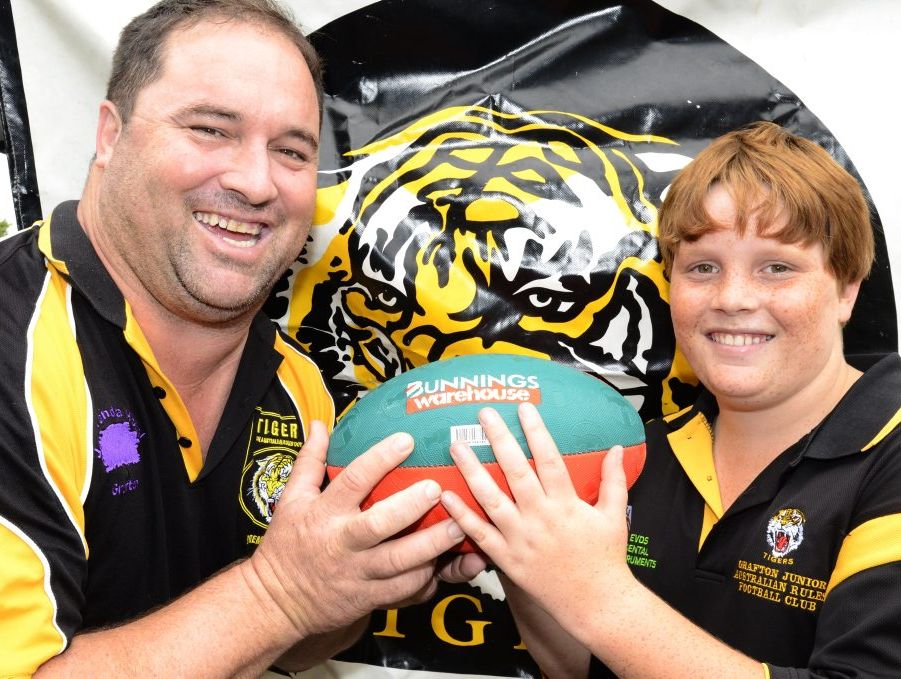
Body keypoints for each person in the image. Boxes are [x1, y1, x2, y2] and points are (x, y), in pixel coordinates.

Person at [0, 1, 482, 676]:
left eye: (290, 150)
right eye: (210, 129)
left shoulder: (296, 384)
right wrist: (279, 592)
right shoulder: (15, 342)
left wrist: (377, 569)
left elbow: (295, 644)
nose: (255, 182)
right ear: (110, 134)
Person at [440, 122, 901, 677]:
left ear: (846, 288)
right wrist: (523, 555)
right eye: (703, 267)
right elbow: (585, 667)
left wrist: (600, 598)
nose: (732, 298)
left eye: (776, 267)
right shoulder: (640, 451)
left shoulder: (890, 453)